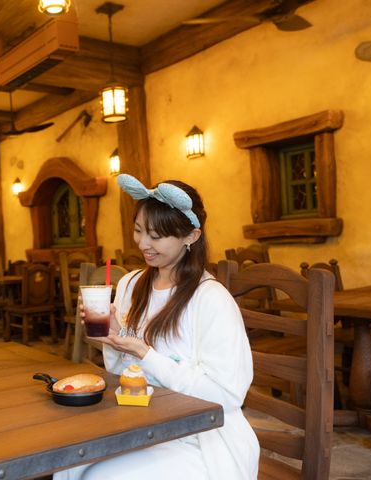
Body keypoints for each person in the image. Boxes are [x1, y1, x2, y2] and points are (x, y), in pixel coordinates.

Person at [55, 175, 258, 480]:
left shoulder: (212, 300)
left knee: (101, 476)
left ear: (191, 236)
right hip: (138, 420)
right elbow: (120, 372)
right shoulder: (131, 284)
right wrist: (115, 337)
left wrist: (146, 354)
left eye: (156, 236)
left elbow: (226, 396)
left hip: (200, 437)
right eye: (138, 231)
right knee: (66, 463)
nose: (143, 244)